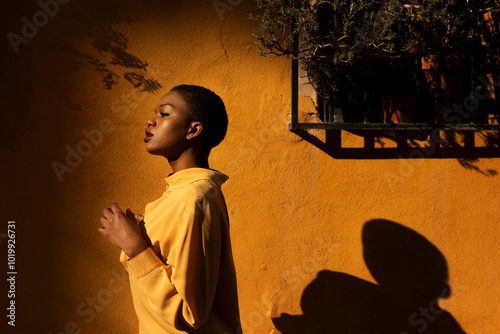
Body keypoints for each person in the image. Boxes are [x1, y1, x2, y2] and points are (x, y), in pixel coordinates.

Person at [97, 85, 241, 334]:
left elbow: (190, 315)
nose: (150, 120)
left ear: (193, 129)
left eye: (164, 113)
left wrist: (135, 246)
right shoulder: (179, 196)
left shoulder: (193, 198)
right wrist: (141, 237)